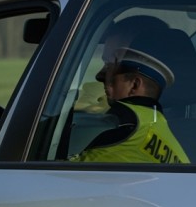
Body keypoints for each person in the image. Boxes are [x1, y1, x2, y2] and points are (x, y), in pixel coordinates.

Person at [72, 28, 189, 164]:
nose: (100, 76)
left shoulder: (121, 120)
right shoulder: (159, 126)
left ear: (134, 85)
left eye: (110, 68)